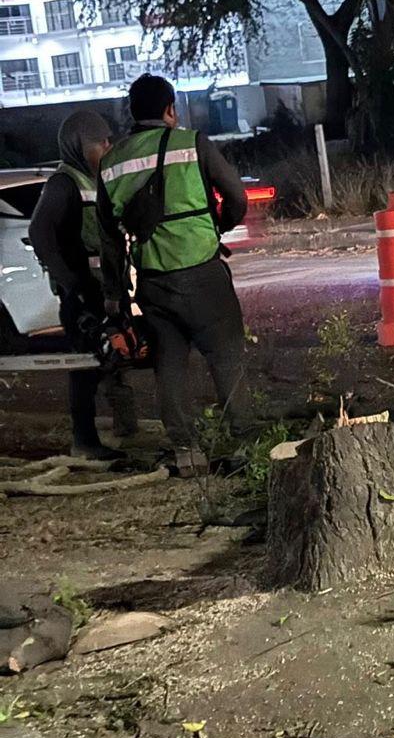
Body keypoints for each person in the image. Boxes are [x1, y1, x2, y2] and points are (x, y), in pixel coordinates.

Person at [97, 74, 250, 473]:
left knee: (169, 365)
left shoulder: (111, 163)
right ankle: (245, 446)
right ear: (169, 109)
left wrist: (114, 294)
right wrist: (219, 226)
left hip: (153, 281)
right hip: (203, 272)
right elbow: (236, 196)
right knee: (227, 357)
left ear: (132, 112)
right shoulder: (192, 143)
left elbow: (109, 239)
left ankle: (187, 452)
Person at [28, 111, 139, 460]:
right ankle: (85, 440)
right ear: (78, 145)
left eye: (109, 141)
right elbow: (40, 233)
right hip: (83, 293)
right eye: (100, 142)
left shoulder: (97, 179)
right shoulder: (64, 183)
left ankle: (126, 430)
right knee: (86, 366)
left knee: (117, 355)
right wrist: (71, 284)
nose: (107, 147)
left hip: (107, 289)